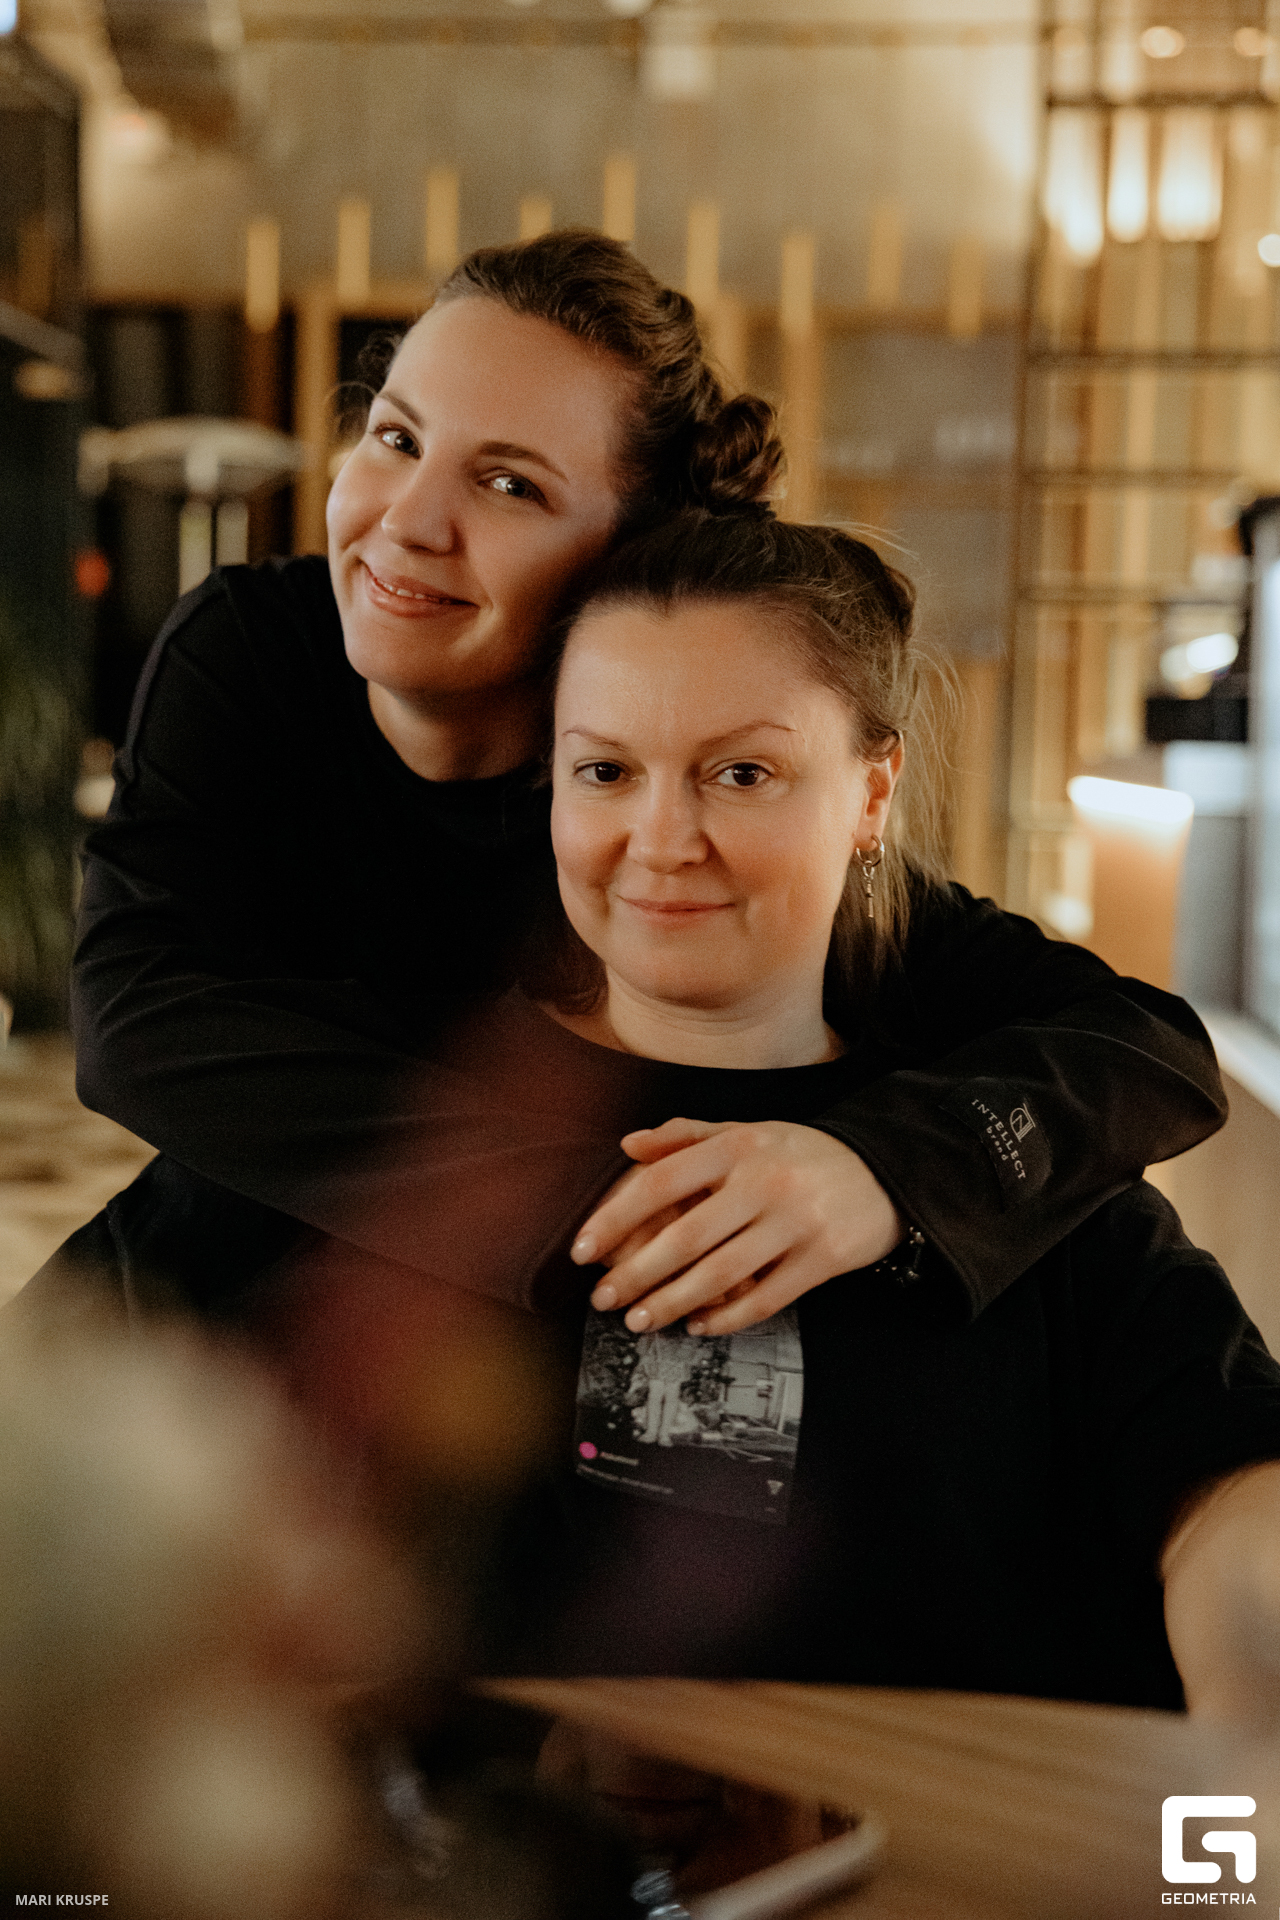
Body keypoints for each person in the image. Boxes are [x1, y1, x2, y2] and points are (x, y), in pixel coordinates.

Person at [22, 230, 1224, 1342]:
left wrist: (881, 1171)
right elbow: (134, 1025)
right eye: (395, 438)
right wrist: (602, 1207)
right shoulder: (250, 649)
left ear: (624, 558)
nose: (409, 521)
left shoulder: (670, 828)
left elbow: (1148, 1053)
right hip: (178, 1302)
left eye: (509, 485)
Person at [418, 508, 1279, 1712]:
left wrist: (1250, 1711)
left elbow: (1225, 1478)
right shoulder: (396, 1113)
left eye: (741, 774)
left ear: (872, 792)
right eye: (604, 771)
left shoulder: (1009, 1143)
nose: (661, 841)